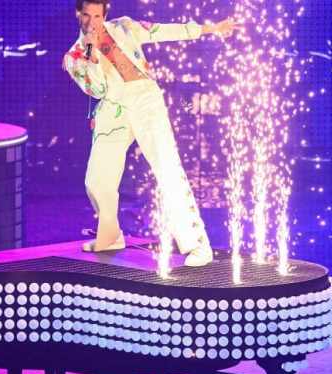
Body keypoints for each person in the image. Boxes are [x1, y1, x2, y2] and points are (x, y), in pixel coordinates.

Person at [63, 0, 238, 267]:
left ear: (104, 15)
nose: (92, 21)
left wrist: (211, 28)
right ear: (79, 15)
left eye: (97, 16)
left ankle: (197, 245)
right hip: (113, 109)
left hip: (145, 100)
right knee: (97, 181)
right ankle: (109, 237)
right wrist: (91, 51)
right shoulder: (73, 57)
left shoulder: (125, 26)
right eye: (86, 15)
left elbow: (164, 30)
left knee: (167, 169)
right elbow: (96, 89)